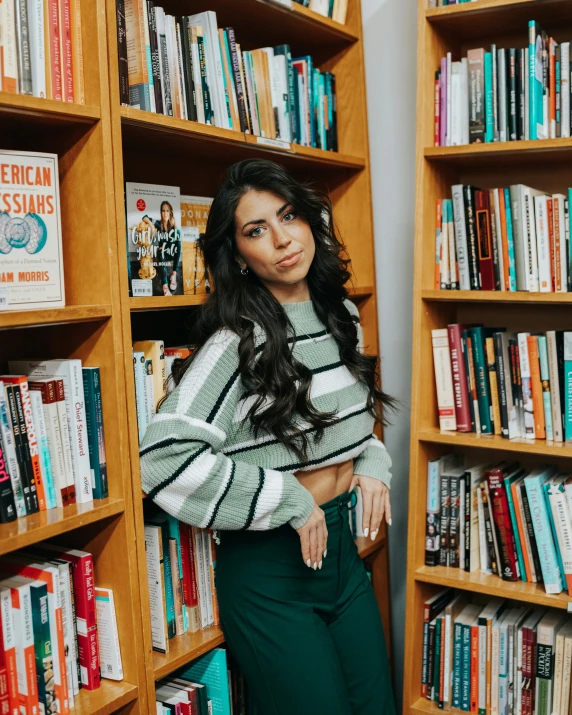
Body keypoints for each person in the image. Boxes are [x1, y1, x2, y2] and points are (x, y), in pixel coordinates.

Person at [139, 159, 397, 715]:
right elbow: (162, 458)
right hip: (269, 570)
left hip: (343, 558)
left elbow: (345, 423)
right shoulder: (235, 344)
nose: (282, 239)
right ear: (239, 257)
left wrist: (373, 459)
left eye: (289, 216)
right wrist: (287, 498)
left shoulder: (341, 317)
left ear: (310, 222)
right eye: (257, 230)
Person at [142, 200, 181, 296]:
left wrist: (174, 224)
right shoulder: (158, 224)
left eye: (167, 211)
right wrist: (151, 226)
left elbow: (178, 236)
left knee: (178, 243)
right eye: (163, 211)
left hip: (171, 253)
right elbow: (144, 217)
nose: (165, 213)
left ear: (170, 212)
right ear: (161, 212)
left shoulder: (172, 225)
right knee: (161, 251)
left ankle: (174, 274)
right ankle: (165, 287)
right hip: (162, 254)